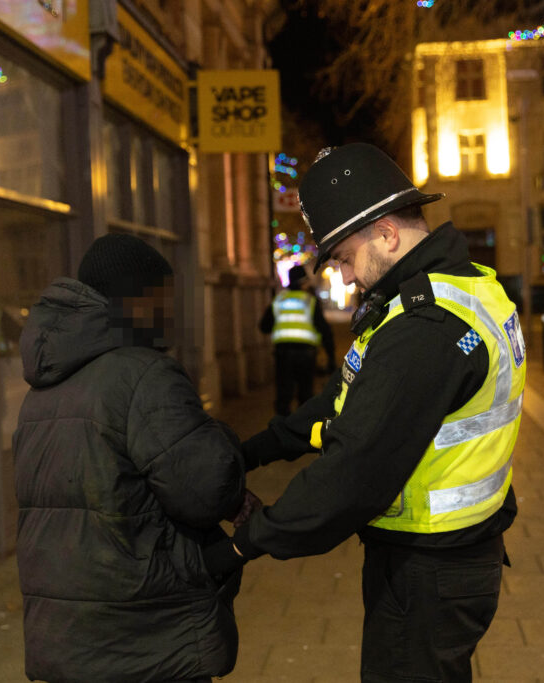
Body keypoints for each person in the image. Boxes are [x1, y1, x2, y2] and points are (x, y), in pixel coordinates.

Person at [202, 143, 526, 682]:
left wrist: (241, 545)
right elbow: (343, 399)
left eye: (345, 258)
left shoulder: (425, 329)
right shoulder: (451, 290)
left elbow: (351, 472)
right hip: (447, 557)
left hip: (430, 570)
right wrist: (254, 452)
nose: (347, 277)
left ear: (387, 234)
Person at [13, 233, 252, 683]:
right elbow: (207, 489)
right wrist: (217, 435)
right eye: (164, 298)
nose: (171, 312)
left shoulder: (42, 388)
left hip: (65, 637)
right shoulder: (144, 374)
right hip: (143, 636)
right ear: (137, 301)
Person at [259, 263, 336, 415]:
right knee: (305, 395)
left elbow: (264, 326)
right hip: (306, 355)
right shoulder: (310, 301)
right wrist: (331, 357)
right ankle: (302, 426)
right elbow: (324, 330)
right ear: (303, 282)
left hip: (283, 354)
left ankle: (281, 426)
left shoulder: (279, 300)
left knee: (283, 395)